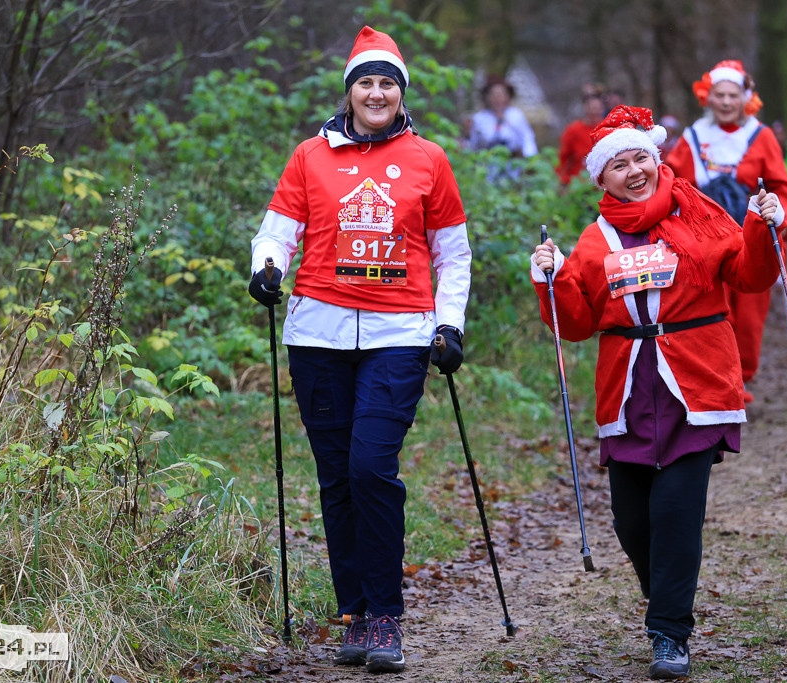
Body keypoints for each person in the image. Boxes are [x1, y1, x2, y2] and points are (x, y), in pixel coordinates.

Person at [531, 105, 787, 680]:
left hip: (695, 384)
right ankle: (664, 598)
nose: (633, 170)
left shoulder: (697, 215)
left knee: (675, 512)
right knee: (631, 520)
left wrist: (762, 227)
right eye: (618, 165)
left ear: (657, 158)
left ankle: (670, 631)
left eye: (640, 157)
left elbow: (750, 275)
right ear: (601, 179)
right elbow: (573, 323)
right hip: (627, 390)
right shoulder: (594, 240)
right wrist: (549, 276)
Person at [247, 26, 471, 675]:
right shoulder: (309, 156)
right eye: (366, 82)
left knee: (372, 465)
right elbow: (277, 232)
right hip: (316, 333)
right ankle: (352, 612)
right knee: (337, 474)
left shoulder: (429, 159)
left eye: (387, 83)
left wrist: (448, 325)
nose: (376, 92)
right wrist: (267, 269)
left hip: (399, 334)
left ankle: (385, 617)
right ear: (349, 93)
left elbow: (452, 254)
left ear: (402, 95)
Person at [665, 59, 787, 403]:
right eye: (719, 95)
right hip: (703, 239)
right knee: (711, 309)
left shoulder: (762, 136)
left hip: (751, 235)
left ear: (746, 98)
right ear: (707, 97)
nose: (725, 102)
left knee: (751, 312)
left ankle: (742, 378)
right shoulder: (694, 136)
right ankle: (718, 379)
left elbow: (785, 188)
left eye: (732, 95)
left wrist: (780, 221)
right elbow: (670, 182)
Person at [466, 74, 538, 182]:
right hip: (488, 164)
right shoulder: (480, 118)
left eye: (501, 94)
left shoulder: (515, 115)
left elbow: (527, 137)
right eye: (494, 95)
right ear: (488, 97)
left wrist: (530, 159)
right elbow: (473, 143)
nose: (497, 98)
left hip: (512, 162)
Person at [557, 84, 605, 185]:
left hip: (603, 185)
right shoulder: (573, 130)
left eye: (597, 108)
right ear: (585, 108)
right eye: (591, 108)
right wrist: (564, 180)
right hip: (578, 185)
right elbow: (562, 158)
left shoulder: (608, 129)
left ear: (602, 109)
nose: (594, 112)